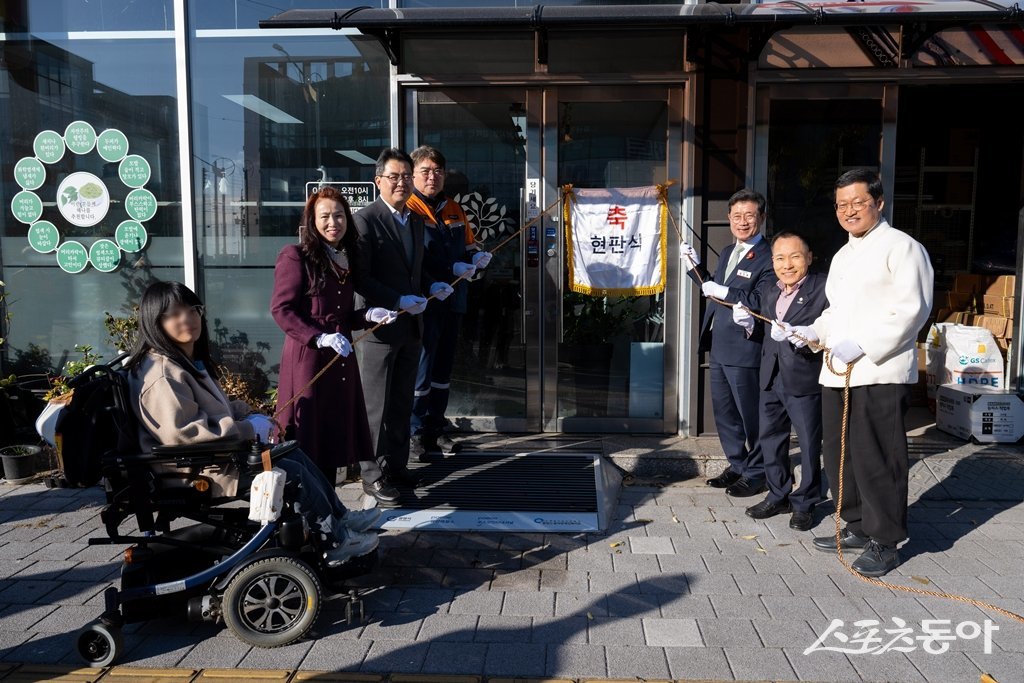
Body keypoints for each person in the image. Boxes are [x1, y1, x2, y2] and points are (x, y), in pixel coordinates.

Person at [125, 281, 380, 566]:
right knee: (289, 471)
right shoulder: (162, 374)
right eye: (173, 314)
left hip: (212, 457)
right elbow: (184, 434)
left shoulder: (180, 361)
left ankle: (340, 519)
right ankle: (334, 542)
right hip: (194, 469)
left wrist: (248, 414)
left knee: (292, 451)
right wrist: (248, 429)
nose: (187, 319)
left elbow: (210, 409)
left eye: (192, 309)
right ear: (154, 321)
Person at [783, 169, 933, 577]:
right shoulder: (843, 255)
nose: (849, 211)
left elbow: (911, 309)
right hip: (837, 370)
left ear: (878, 203)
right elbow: (836, 312)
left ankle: (885, 539)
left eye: (858, 202)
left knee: (877, 456)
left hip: (878, 370)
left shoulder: (902, 247)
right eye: (842, 204)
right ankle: (854, 523)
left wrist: (865, 343)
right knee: (839, 452)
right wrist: (813, 331)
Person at [271, 186, 398, 484]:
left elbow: (340, 316)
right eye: (325, 216)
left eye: (339, 216)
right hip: (308, 360)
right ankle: (310, 517)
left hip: (340, 357)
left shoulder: (344, 257)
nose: (333, 222)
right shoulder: (295, 256)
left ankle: (329, 512)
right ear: (312, 221)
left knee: (331, 437)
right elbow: (282, 309)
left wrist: (367, 315)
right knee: (309, 436)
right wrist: (319, 337)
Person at [352, 148, 453, 506]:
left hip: (412, 327)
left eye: (406, 177)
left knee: (399, 404)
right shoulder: (365, 220)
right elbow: (360, 278)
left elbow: (415, 270)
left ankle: (396, 466)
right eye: (394, 177)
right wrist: (396, 300)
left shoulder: (413, 218)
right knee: (374, 407)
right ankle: (371, 475)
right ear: (378, 181)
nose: (401, 183)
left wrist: (433, 286)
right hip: (379, 331)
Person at [682, 189, 775, 497]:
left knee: (750, 415)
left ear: (761, 217)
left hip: (746, 348)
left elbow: (760, 300)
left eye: (749, 215)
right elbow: (715, 289)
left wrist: (723, 292)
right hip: (720, 344)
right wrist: (694, 269)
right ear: (729, 219)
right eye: (736, 216)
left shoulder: (769, 256)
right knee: (725, 413)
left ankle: (758, 471)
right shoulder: (726, 252)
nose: (742, 221)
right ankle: (738, 463)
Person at [732, 232, 827, 531]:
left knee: (810, 444)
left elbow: (829, 329)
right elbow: (765, 333)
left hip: (804, 378)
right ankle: (778, 494)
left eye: (795, 257)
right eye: (780, 258)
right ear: (772, 261)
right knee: (771, 439)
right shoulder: (771, 291)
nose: (787, 265)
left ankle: (805, 502)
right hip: (771, 377)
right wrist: (748, 325)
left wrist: (804, 334)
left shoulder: (823, 287)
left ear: (809, 257)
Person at [405, 145, 493, 460]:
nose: (433, 176)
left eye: (438, 171)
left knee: (443, 370)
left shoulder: (454, 208)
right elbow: (410, 261)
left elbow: (467, 245)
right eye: (426, 171)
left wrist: (475, 259)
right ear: (413, 174)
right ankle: (413, 433)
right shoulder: (409, 209)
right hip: (423, 304)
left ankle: (435, 430)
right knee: (421, 370)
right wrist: (440, 276)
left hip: (453, 301)